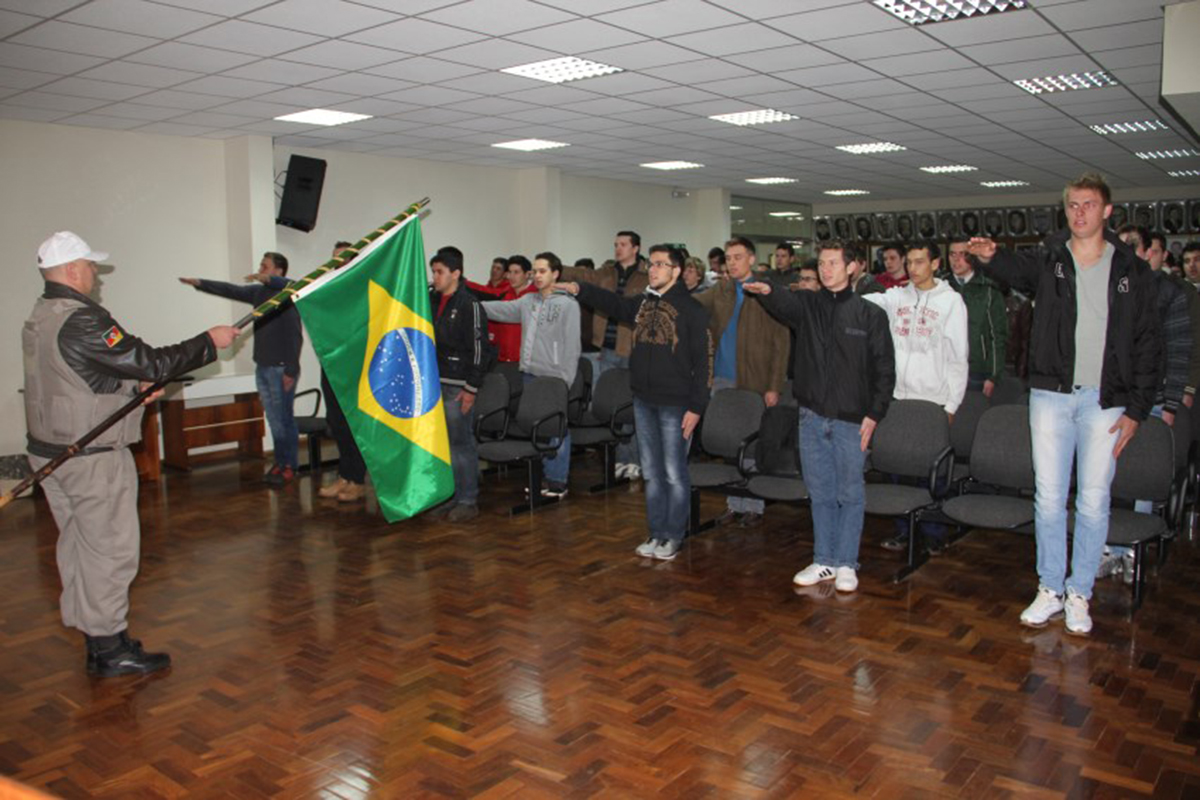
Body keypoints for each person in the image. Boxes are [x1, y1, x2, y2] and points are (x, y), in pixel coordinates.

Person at [26, 231, 239, 676]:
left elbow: (80, 378)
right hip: (90, 458)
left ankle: (98, 637)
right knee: (109, 550)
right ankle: (109, 650)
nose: (95, 275)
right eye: (89, 266)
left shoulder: (42, 315)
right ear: (71, 270)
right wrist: (209, 341)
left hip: (52, 455)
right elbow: (152, 362)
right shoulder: (82, 320)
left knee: (79, 548)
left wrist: (128, 387)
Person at [968, 172, 1160, 636]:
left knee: (1093, 502)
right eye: (1072, 205)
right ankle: (1050, 587)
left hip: (1106, 401)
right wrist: (993, 257)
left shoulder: (1130, 270)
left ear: (1107, 211)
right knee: (1050, 498)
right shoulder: (1051, 258)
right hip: (1051, 395)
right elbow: (1017, 272)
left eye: (1088, 205)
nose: (1079, 213)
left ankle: (1080, 593)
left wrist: (1137, 409)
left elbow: (1148, 343)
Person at [744, 241, 895, 592]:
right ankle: (824, 559)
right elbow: (785, 301)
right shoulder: (809, 305)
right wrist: (767, 289)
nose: (826, 269)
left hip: (850, 420)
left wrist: (875, 413)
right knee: (821, 492)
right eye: (822, 263)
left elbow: (884, 370)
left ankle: (846, 563)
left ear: (852, 267)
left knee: (850, 493)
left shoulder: (870, 315)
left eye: (832, 263)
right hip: (811, 416)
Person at [559, 246, 712, 559]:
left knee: (673, 473)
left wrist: (697, 407)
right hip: (644, 400)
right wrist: (580, 289)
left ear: (676, 271)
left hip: (676, 404)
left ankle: (673, 536)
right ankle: (656, 533)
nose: (652, 269)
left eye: (659, 264)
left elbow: (705, 362)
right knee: (651, 473)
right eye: (651, 264)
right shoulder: (644, 303)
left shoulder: (693, 310)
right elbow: (613, 303)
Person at [866, 242, 969, 554]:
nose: (912, 268)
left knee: (930, 473)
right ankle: (904, 529)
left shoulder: (951, 302)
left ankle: (934, 533)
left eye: (919, 262)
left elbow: (957, 358)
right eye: (909, 262)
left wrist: (951, 405)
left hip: (932, 401)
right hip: (899, 398)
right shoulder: (897, 297)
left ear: (935, 264)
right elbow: (866, 301)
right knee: (898, 469)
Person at [181, 251, 303, 486]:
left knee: (282, 419)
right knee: (274, 418)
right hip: (264, 367)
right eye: (261, 265)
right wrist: (200, 283)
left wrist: (291, 370)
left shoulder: (288, 295)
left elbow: (295, 337)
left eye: (265, 266)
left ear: (278, 271)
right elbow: (230, 289)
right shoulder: (259, 293)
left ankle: (288, 465)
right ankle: (281, 463)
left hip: (281, 369)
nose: (260, 269)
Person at [693, 237, 789, 527]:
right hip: (722, 378)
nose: (731, 262)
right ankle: (733, 503)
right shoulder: (720, 290)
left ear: (751, 258)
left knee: (751, 446)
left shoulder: (767, 291)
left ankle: (753, 505)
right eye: (728, 258)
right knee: (729, 442)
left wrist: (774, 386)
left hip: (755, 379)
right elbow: (692, 305)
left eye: (737, 257)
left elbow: (781, 343)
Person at [481, 252, 580, 498]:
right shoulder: (528, 302)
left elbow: (572, 347)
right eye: (534, 271)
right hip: (530, 374)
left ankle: (558, 481)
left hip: (555, 377)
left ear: (555, 274)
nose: (536, 275)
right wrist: (472, 305)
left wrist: (565, 381)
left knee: (556, 427)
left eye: (542, 271)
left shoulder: (568, 305)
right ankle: (546, 478)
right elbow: (501, 310)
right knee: (539, 427)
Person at [563, 231, 648, 478]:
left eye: (623, 244)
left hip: (635, 350)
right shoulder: (606, 273)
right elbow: (583, 275)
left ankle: (636, 460)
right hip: (608, 348)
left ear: (636, 248)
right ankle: (621, 460)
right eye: (615, 245)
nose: (618, 249)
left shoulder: (645, 276)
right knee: (613, 408)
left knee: (634, 408)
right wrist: (556, 268)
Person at [429, 248, 491, 522]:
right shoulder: (429, 299)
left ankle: (467, 498)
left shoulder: (469, 304)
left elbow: (480, 350)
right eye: (433, 271)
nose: (435, 277)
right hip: (434, 380)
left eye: (440, 272)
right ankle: (449, 495)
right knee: (442, 444)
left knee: (460, 442)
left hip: (458, 384)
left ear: (456, 273)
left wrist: (471, 388)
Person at [316, 241, 369, 502]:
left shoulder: (359, 288)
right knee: (336, 423)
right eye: (333, 257)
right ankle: (344, 476)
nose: (336, 262)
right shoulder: (329, 288)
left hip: (354, 366)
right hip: (331, 364)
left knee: (352, 425)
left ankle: (357, 480)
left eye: (342, 258)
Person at [947, 237, 1008, 397]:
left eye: (962, 254)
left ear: (972, 257)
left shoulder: (988, 290)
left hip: (976, 370)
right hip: (944, 369)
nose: (956, 260)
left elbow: (997, 336)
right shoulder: (941, 287)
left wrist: (993, 375)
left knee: (971, 418)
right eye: (952, 254)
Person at [466, 254, 536, 364]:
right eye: (509, 272)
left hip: (525, 362)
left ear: (528, 274)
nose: (511, 276)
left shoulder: (535, 297)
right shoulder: (503, 295)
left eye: (516, 272)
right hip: (501, 359)